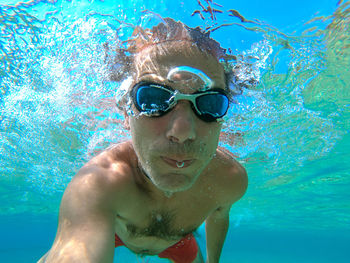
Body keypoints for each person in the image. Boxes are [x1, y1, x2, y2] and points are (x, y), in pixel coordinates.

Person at [38, 16, 248, 263]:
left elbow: (219, 216)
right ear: (127, 112)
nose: (182, 132)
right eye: (153, 99)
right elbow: (75, 249)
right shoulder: (101, 183)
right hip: (120, 235)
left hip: (179, 242)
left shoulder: (229, 180)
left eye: (211, 103)